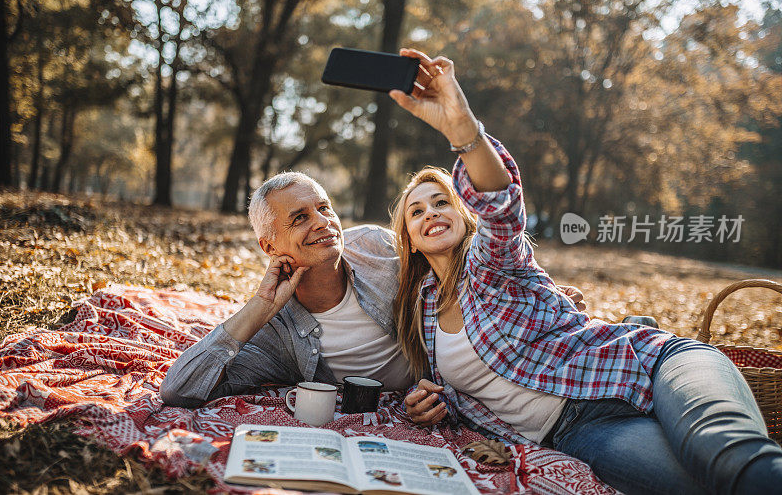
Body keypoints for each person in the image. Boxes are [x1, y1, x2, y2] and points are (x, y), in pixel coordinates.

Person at [388, 48, 782, 495]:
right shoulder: (422, 308)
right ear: (410, 238)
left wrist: (461, 128)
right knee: (693, 484)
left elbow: (500, 210)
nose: (431, 213)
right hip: (582, 431)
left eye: (442, 202)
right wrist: (435, 404)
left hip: (648, 363)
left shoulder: (489, 262)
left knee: (730, 459)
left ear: (462, 214)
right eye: (416, 211)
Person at [158, 166, 588, 407]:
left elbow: (453, 263)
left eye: (323, 208)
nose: (323, 223)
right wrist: (258, 308)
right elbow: (179, 388)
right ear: (269, 245)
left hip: (466, 369)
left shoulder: (376, 246)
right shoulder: (276, 332)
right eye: (300, 218)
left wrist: (536, 294)